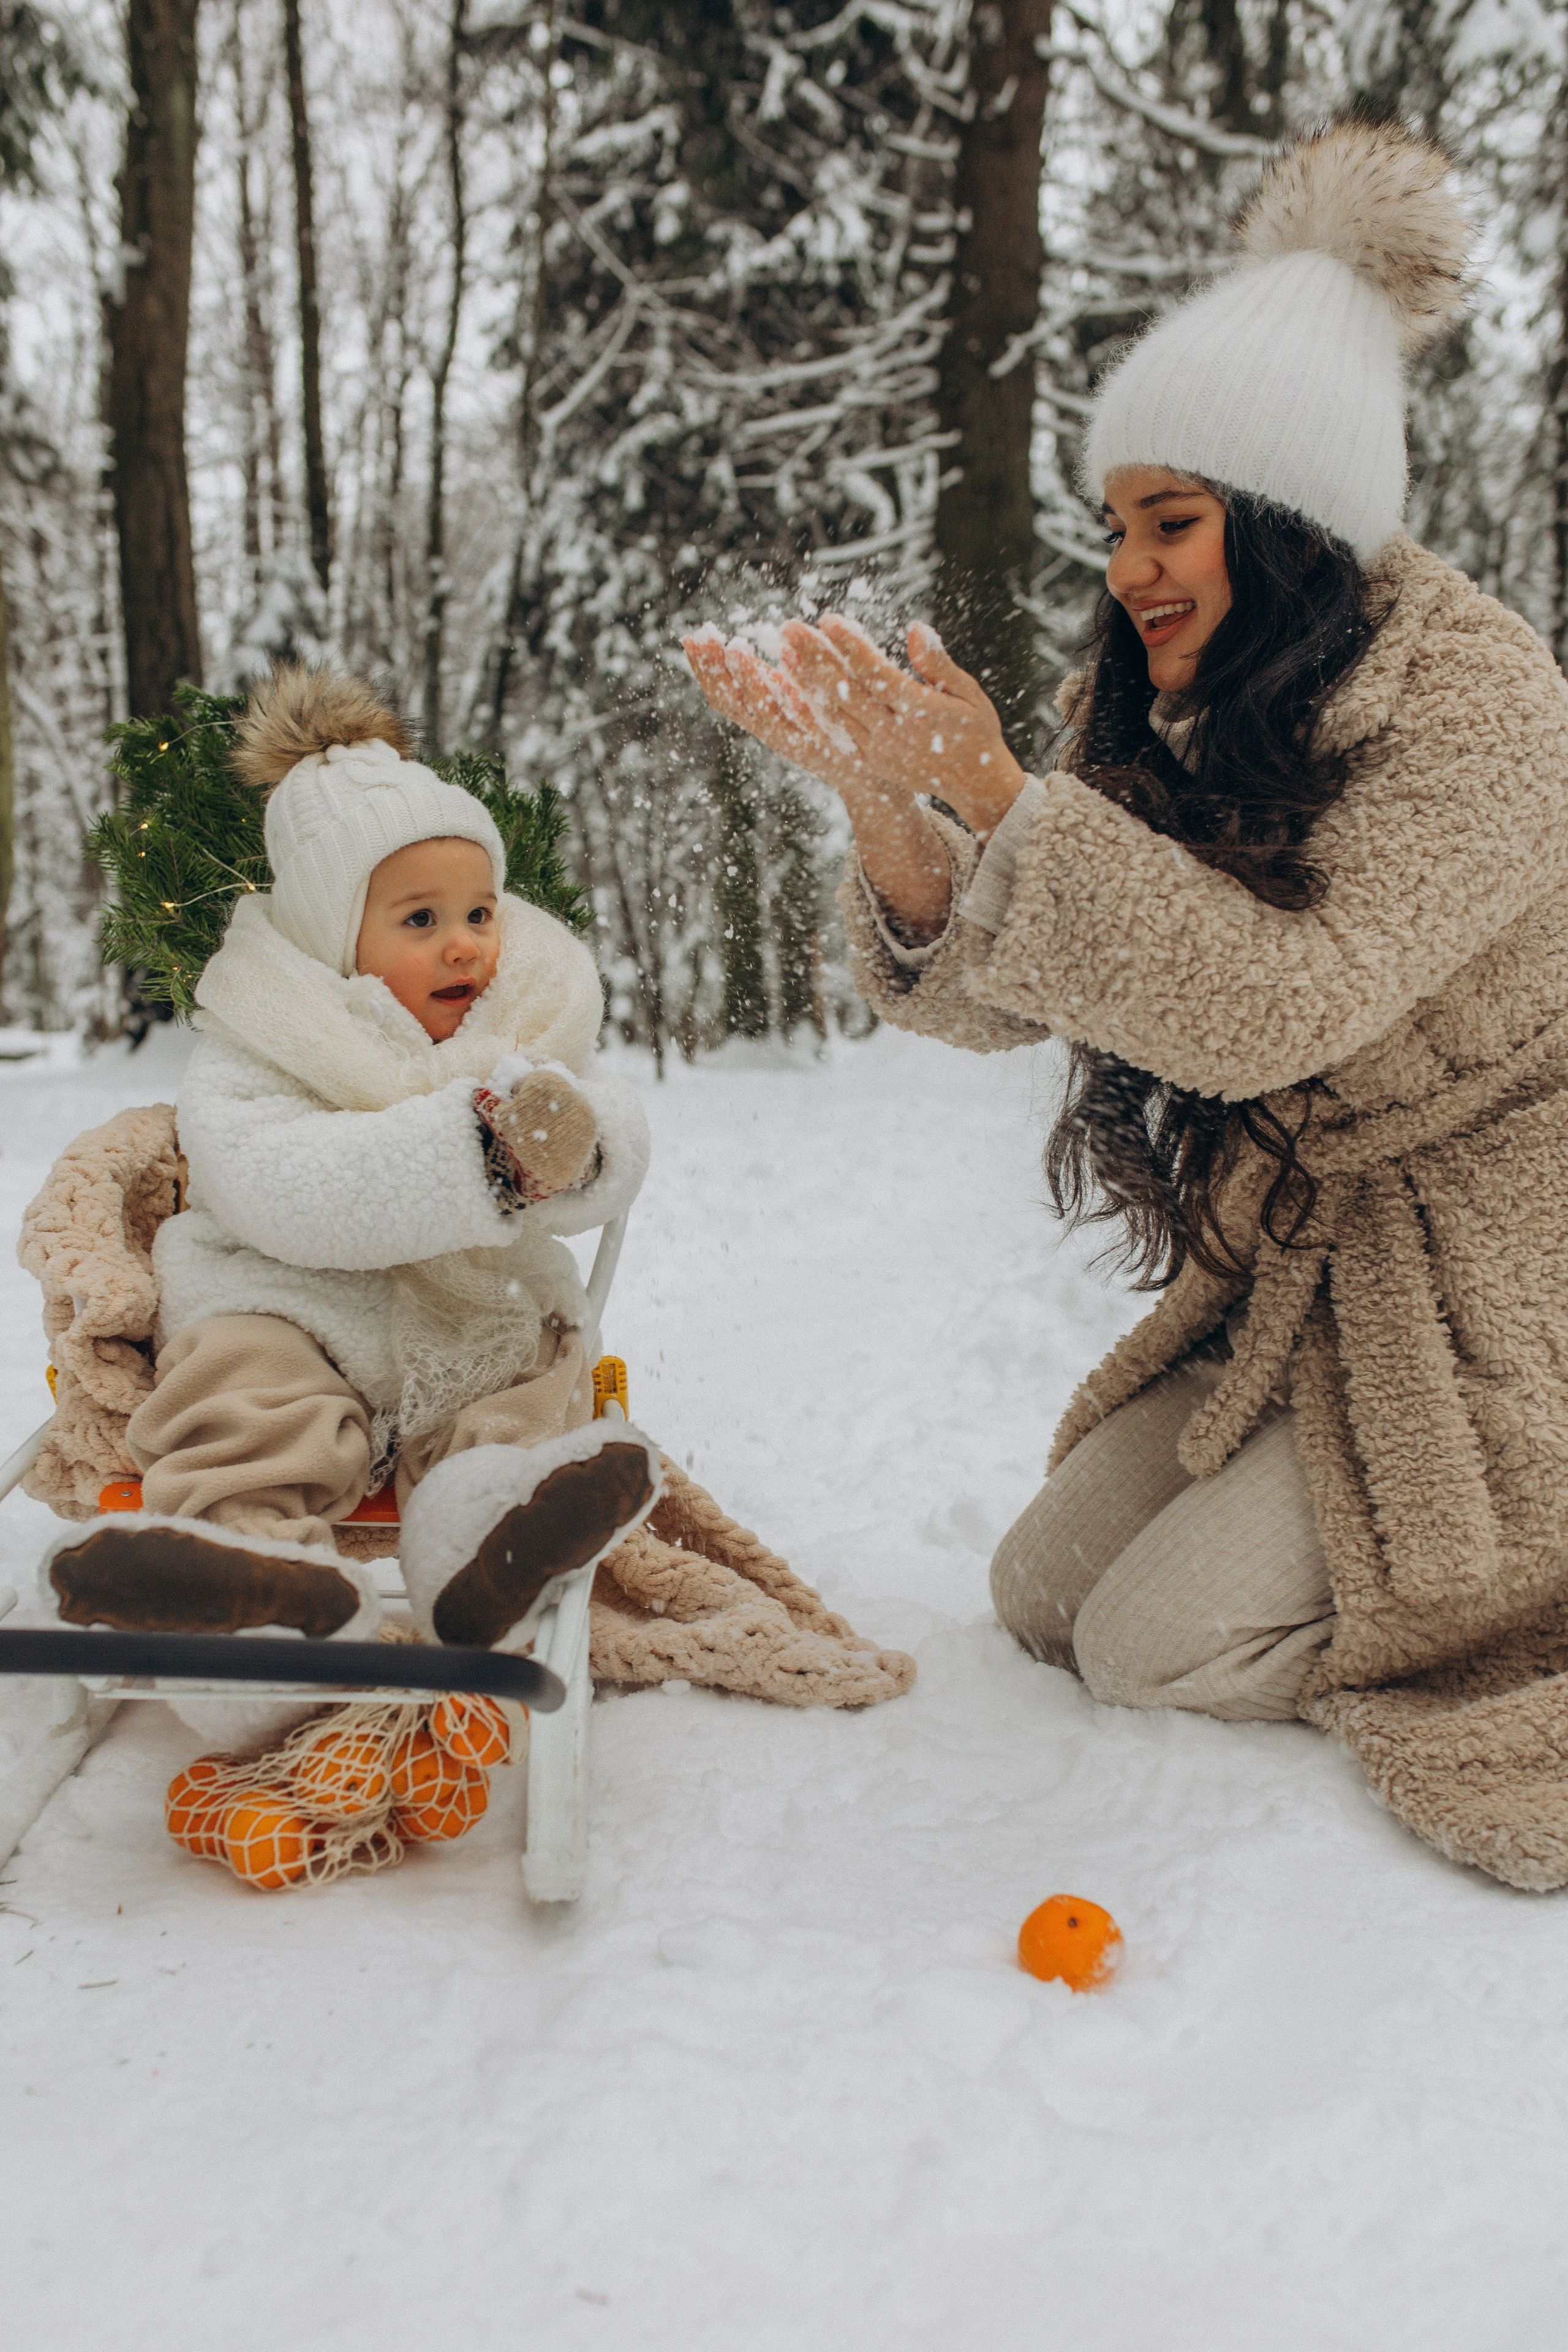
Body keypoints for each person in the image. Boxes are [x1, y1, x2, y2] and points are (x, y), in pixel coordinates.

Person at [685, 119, 1568, 1890]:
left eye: (1172, 523)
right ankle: (1320, 1495)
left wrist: (1002, 797)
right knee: (1041, 1592)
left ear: (1291, 524)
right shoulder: (1192, 697)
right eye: (1117, 527)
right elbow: (1007, 990)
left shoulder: (1488, 708)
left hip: (1489, 1284)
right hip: (1306, 1279)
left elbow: (1277, 1008)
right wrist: (889, 811)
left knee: (1154, 1648)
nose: (1130, 570)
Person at [42, 665, 660, 1709]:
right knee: (243, 1401)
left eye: (479, 911)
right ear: (336, 937)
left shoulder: (525, 1025)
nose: (464, 941)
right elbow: (280, 1184)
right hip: (289, 1305)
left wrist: (574, 1150)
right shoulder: (260, 1039)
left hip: (472, 1310)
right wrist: (475, 1158)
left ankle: (489, 1538)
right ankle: (242, 1577)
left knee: (523, 1394)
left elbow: (613, 1140)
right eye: (420, 920)